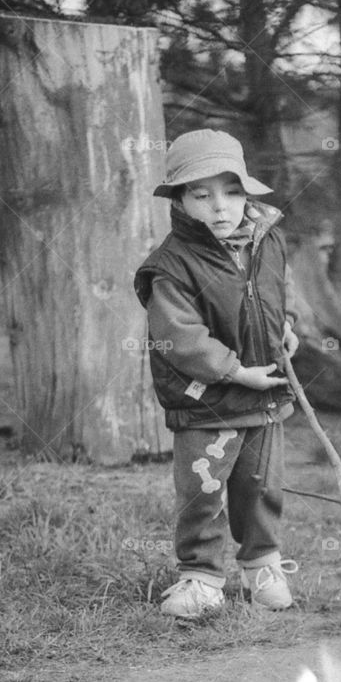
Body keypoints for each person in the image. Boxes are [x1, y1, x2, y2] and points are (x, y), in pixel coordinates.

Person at [134, 129, 300, 619]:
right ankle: (201, 577)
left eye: (231, 191)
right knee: (202, 492)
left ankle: (262, 566)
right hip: (206, 400)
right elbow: (178, 334)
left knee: (260, 486)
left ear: (246, 191)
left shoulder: (269, 241)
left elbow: (275, 295)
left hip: (265, 396)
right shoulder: (173, 264)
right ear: (181, 201)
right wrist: (233, 370)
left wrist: (286, 329)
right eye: (202, 195)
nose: (220, 207)